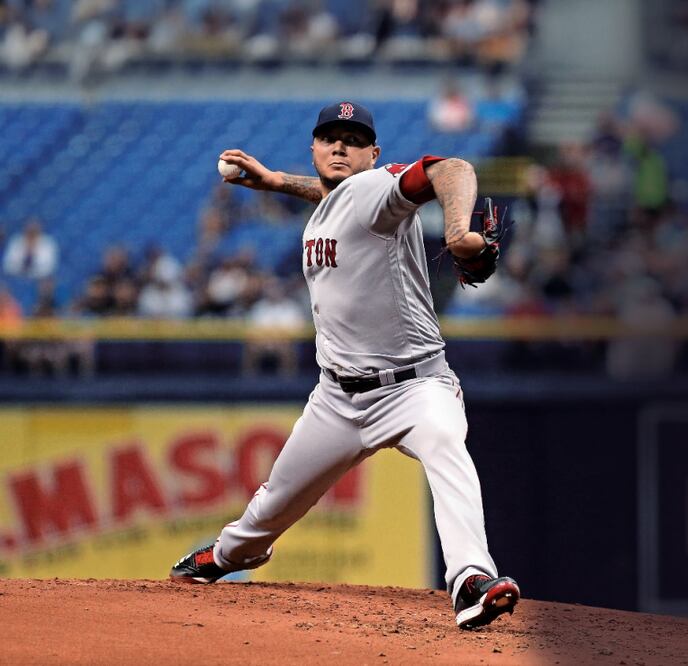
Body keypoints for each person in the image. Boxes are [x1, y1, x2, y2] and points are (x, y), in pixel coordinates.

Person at [168, 101, 519, 631]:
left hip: (414, 390)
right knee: (276, 500)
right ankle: (230, 554)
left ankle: (471, 578)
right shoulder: (337, 202)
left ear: (373, 154)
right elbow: (337, 199)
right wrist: (278, 182)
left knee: (447, 449)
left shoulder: (375, 189)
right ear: (313, 148)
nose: (339, 146)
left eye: (353, 140)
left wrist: (454, 233)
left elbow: (453, 170)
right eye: (329, 137)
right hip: (336, 399)